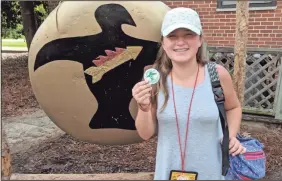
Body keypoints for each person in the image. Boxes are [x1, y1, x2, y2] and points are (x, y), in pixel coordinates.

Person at [132, 7, 246, 180]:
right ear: (163, 42)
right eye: (172, 36)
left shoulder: (217, 75)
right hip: (168, 173)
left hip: (211, 173)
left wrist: (230, 137)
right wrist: (144, 106)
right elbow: (145, 134)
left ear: (200, 40)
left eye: (188, 35)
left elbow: (234, 107)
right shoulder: (155, 79)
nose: (180, 42)